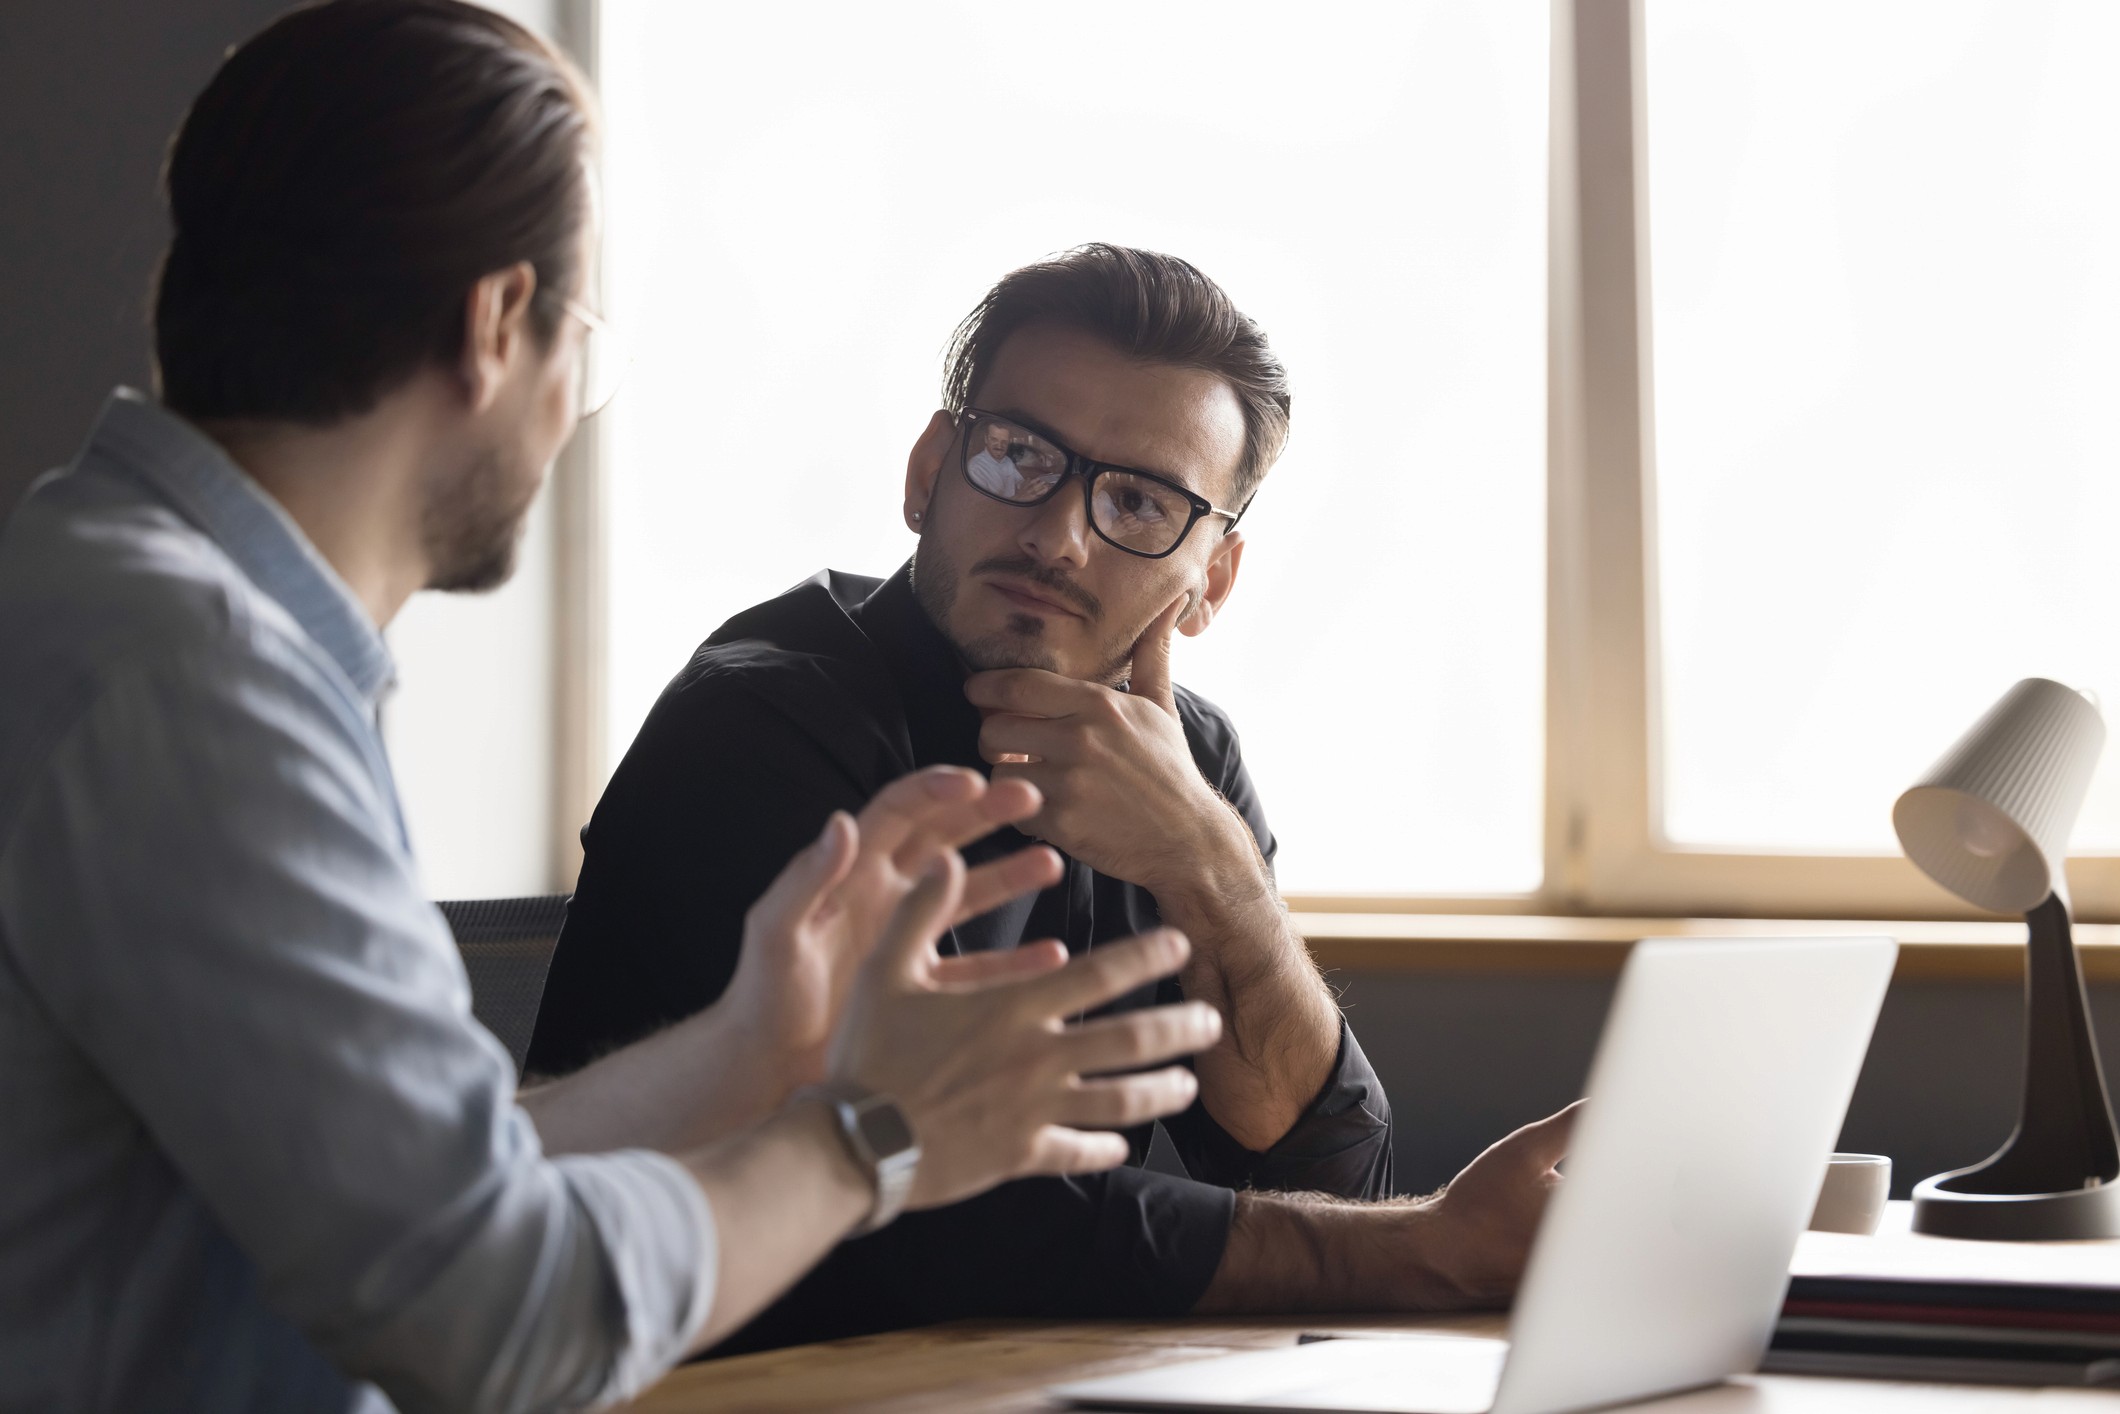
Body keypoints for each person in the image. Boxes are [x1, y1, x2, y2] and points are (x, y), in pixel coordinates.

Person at [0, 8, 1222, 1411]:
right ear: (496, 325)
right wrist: (872, 1135)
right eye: (583, 342)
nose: (577, 405)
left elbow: (413, 1184)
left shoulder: (131, 608)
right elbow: (492, 1318)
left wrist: (755, 1050)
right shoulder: (195, 681)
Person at [528, 243, 1579, 1355]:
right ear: (930, 468)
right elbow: (919, 1212)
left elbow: (1323, 1164)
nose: (1057, 533)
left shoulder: (1183, 759)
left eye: (1139, 499)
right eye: (1019, 454)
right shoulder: (765, 721)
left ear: (1208, 581)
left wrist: (1212, 867)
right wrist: (1420, 1250)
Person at [965, 418, 1025, 498]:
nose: (999, 446)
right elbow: (985, 506)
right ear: (986, 439)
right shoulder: (975, 467)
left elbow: (1019, 482)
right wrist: (1021, 497)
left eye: (1004, 442)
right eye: (994, 440)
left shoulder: (1007, 461)